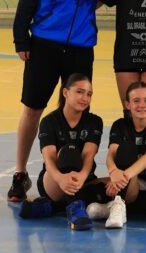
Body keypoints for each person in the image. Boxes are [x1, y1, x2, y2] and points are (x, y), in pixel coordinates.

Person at [8, 0, 115, 202]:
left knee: (78, 110)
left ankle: (73, 175)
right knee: (33, 108)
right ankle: (20, 174)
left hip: (81, 47)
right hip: (45, 43)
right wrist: (21, 38)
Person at [85, 81, 146, 228]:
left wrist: (122, 177)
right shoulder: (120, 125)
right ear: (128, 104)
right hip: (126, 185)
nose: (142, 105)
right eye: (136, 101)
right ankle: (121, 205)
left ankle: (112, 207)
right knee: (126, 150)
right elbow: (111, 153)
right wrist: (113, 171)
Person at [18, 73, 105, 231]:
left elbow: (88, 156)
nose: (85, 98)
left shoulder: (95, 122)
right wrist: (60, 178)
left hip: (83, 180)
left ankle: (49, 207)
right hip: (53, 181)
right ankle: (76, 210)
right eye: (80, 92)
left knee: (114, 186)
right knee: (69, 153)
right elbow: (49, 159)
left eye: (89, 94)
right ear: (65, 92)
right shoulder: (49, 122)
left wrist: (82, 176)